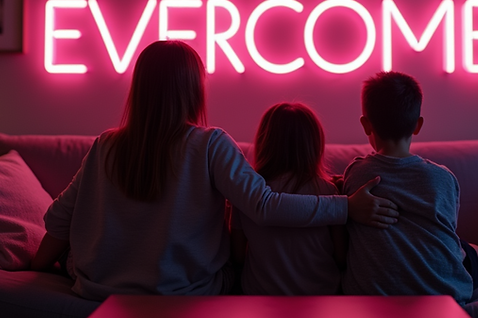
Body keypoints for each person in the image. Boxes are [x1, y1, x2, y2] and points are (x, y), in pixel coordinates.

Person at [31, 40, 398, 300]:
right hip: (183, 294)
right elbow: (265, 207)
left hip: (101, 290)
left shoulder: (104, 145)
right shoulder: (208, 144)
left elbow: (59, 221)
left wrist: (36, 269)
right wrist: (346, 206)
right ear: (192, 90)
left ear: (139, 88)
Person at [341, 71, 478, 301]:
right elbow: (446, 231)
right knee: (464, 249)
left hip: (374, 295)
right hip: (443, 292)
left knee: (463, 247)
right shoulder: (443, 178)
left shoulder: (356, 174)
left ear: (365, 124)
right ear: (418, 125)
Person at [230, 103, 345, 295]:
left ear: (264, 142)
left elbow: (237, 256)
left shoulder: (246, 193)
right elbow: (342, 257)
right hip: (322, 295)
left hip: (260, 295)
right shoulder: (328, 191)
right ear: (314, 145)